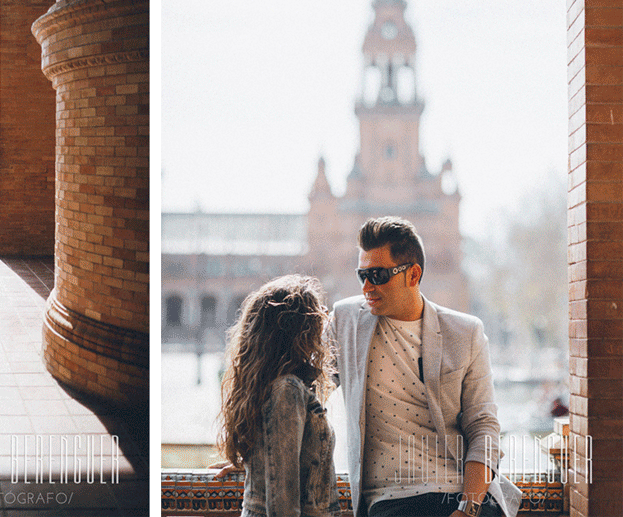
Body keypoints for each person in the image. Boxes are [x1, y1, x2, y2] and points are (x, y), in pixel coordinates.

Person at [330, 216, 521, 517]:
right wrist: (243, 454)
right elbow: (305, 392)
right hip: (393, 498)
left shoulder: (465, 332)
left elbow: (483, 426)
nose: (367, 286)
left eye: (378, 275)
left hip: (462, 494)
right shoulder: (345, 321)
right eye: (361, 275)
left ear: (413, 274)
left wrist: (467, 509)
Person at [218, 275, 341, 517]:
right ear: (298, 330)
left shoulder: (272, 386)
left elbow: (278, 463)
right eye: (317, 318)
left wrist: (255, 463)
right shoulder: (287, 389)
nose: (321, 328)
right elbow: (283, 498)